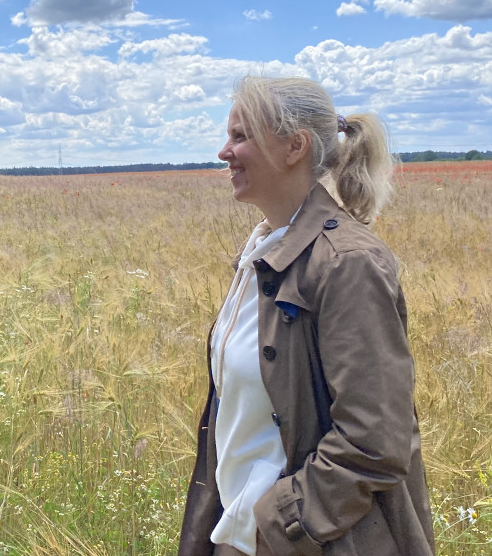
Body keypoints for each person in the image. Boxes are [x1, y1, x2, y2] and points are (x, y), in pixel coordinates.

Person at [178, 77, 435, 556]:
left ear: (294, 146)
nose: (223, 152)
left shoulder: (346, 263)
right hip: (243, 534)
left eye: (240, 136)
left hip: (302, 541)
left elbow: (375, 442)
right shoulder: (266, 249)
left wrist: (273, 522)